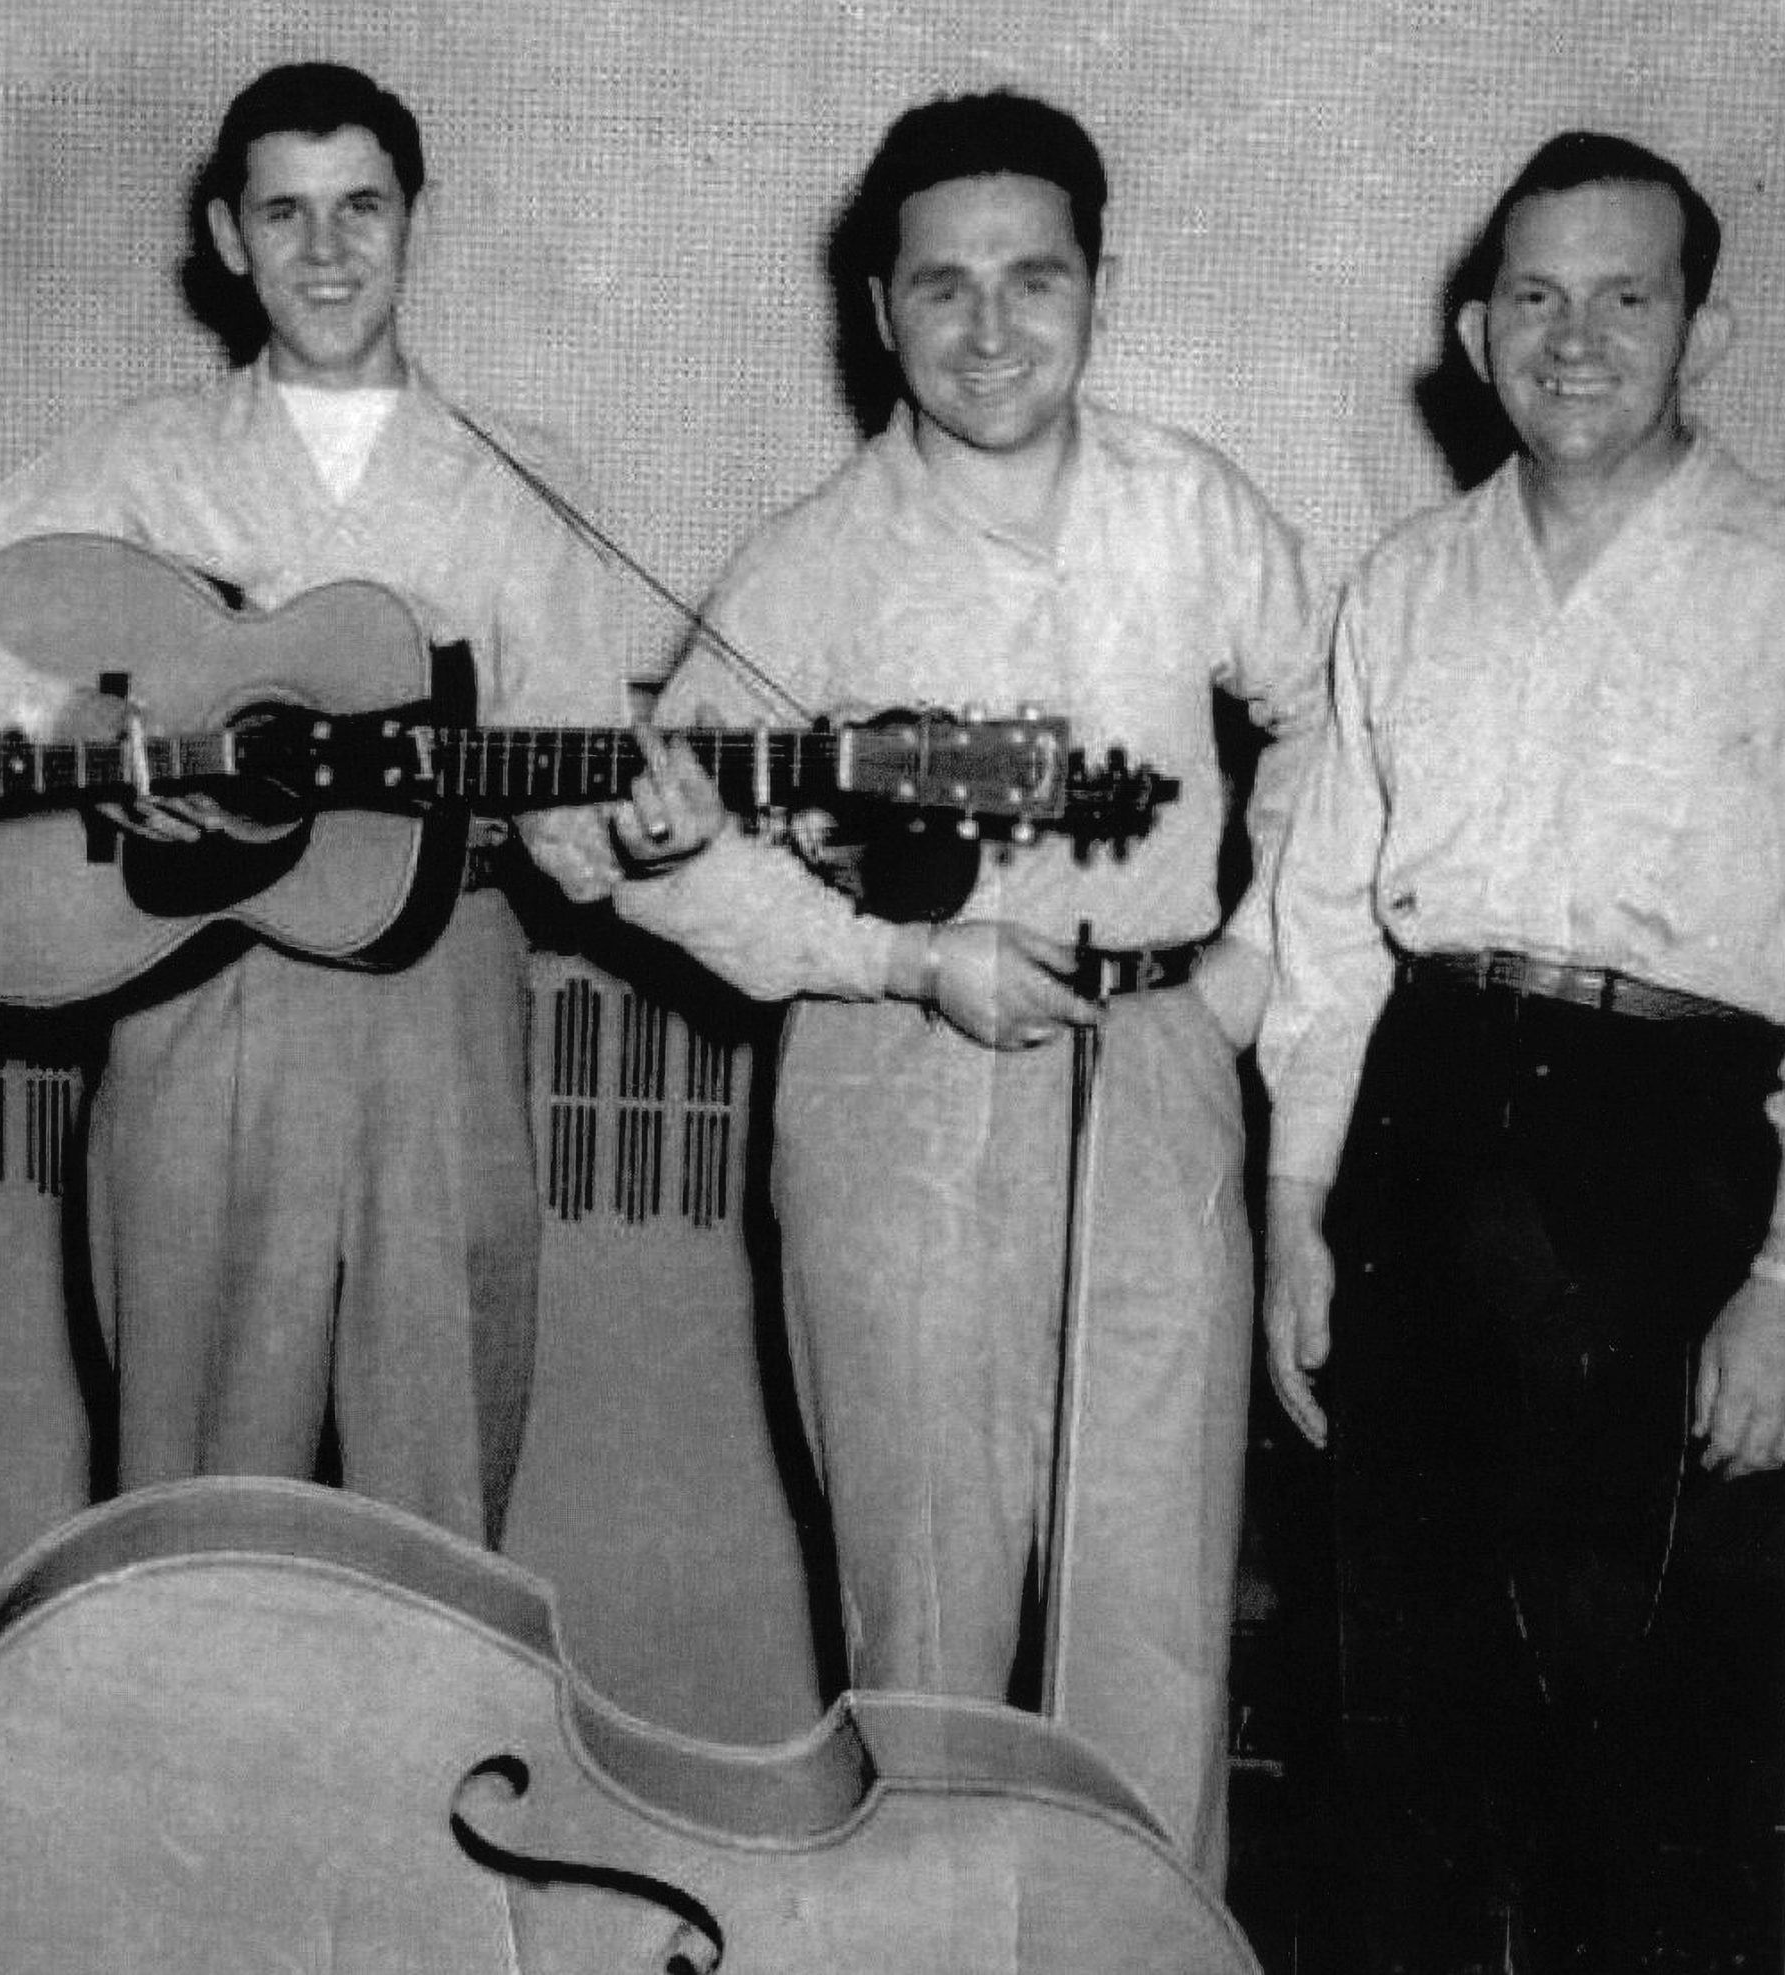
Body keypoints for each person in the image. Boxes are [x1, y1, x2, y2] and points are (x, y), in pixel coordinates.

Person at [532, 89, 1323, 1878]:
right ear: (878, 311)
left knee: (1154, 1607)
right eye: (943, 286)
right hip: (893, 1084)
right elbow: (652, 852)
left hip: (1156, 1067)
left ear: (1097, 292)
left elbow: (1322, 720)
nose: (989, 330)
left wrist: (1258, 962)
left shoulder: (1194, 512)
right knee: (930, 1612)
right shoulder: (816, 556)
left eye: (1032, 280)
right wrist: (894, 956)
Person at [0, 62, 620, 1549]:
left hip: (445, 994)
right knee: (192, 1474)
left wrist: (643, 832)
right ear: (228, 238)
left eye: (362, 206)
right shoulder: (137, 460)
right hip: (196, 1000)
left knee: (439, 1481)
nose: (327, 249)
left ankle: (411, 1776)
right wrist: (70, 724)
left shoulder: (520, 483)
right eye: (283, 214)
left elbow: (577, 812)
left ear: (417, 220)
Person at [1260, 130, 1785, 1972]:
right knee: (1397, 1737)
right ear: (1478, 333)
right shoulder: (1405, 584)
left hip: (1678, 1170)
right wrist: (1296, 1211)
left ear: (1700, 334)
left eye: (1626, 295)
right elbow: (1322, 932)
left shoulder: (1774, 587)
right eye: (1537, 299)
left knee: (1653, 1760)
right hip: (1429, 1138)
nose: (1578, 339)